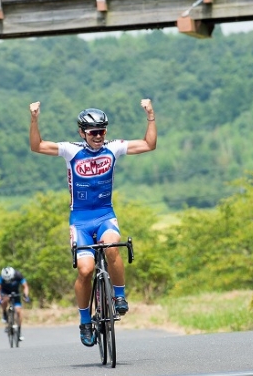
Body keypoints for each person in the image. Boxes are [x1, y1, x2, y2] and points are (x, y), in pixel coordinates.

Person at [29, 99, 157, 347]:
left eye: (102, 131)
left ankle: (119, 296)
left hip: (104, 215)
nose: (99, 136)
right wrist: (34, 119)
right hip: (80, 220)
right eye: (93, 132)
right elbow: (37, 146)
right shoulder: (71, 150)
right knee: (85, 270)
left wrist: (150, 115)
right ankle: (85, 321)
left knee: (112, 247)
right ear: (82, 133)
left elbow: (149, 144)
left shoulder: (115, 148)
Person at [0, 266, 31, 342]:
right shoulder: (1, 277)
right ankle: (5, 314)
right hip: (5, 292)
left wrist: (26, 296)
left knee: (18, 311)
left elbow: (25, 286)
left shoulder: (18, 275)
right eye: (6, 280)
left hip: (15, 292)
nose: (8, 281)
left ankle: (19, 332)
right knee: (4, 301)